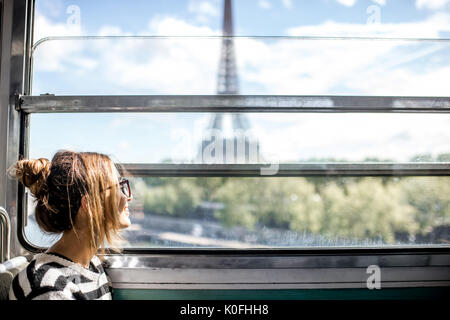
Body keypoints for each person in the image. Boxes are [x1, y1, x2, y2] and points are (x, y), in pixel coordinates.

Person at [7, 150, 132, 300]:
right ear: (90, 204)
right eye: (118, 187)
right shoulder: (48, 286)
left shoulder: (93, 264)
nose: (128, 197)